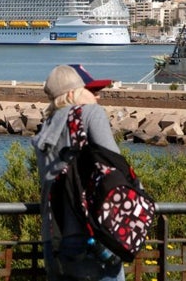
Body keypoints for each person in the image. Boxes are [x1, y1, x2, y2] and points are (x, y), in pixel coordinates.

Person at [31, 64, 124, 281]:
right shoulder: (91, 114)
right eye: (89, 90)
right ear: (73, 93)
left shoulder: (46, 128)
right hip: (92, 236)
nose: (96, 97)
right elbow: (115, 166)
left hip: (54, 239)